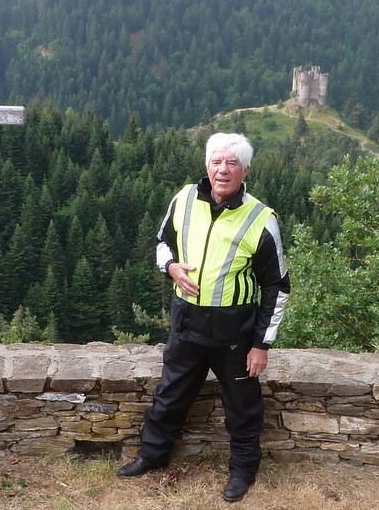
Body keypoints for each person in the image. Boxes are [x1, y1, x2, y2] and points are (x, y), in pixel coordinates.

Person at [117, 132, 290, 503]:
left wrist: (261, 345)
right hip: (187, 322)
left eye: (231, 163)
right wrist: (170, 267)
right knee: (170, 395)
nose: (222, 170)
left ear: (245, 170)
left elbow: (278, 286)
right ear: (206, 165)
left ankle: (242, 472)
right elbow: (163, 241)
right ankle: (152, 456)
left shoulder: (261, 219)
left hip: (235, 330)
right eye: (216, 162)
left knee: (242, 406)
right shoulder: (183, 198)